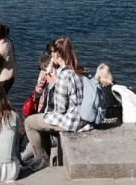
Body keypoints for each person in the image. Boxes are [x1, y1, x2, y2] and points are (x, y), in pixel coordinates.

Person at [23, 37, 89, 170]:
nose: (50, 55)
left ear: (57, 54)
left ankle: (42, 159)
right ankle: (45, 159)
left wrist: (54, 85)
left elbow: (60, 108)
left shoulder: (64, 75)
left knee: (29, 123)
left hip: (70, 121)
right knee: (43, 121)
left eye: (52, 52)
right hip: (81, 117)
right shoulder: (77, 69)